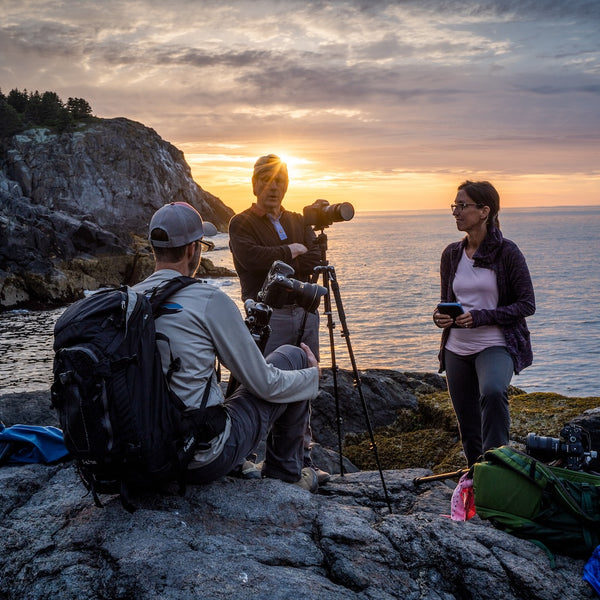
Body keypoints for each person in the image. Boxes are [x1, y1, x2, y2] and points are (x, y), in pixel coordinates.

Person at [133, 201, 321, 491]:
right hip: (197, 457)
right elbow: (266, 384)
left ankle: (251, 465)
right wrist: (310, 375)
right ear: (193, 250)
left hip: (140, 452)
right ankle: (287, 475)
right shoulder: (209, 300)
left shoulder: (128, 300)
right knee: (292, 356)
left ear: (154, 248)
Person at [228, 154, 330, 482]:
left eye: (280, 182)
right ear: (255, 184)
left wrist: (293, 254)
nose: (274, 188)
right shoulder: (241, 222)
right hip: (267, 315)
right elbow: (252, 258)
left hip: (305, 312)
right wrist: (291, 251)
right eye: (267, 181)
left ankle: (301, 461)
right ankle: (242, 457)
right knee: (254, 383)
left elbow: (315, 257)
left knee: (305, 384)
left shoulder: (298, 219)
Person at [433, 181, 535, 467]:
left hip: (495, 344)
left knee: (492, 391)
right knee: (467, 420)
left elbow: (527, 304)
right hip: (456, 347)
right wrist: (439, 317)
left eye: (462, 206)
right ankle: (475, 474)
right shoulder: (451, 254)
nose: (456, 212)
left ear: (484, 211)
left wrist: (481, 316)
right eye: (454, 206)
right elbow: (447, 300)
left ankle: (498, 469)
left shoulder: (507, 253)